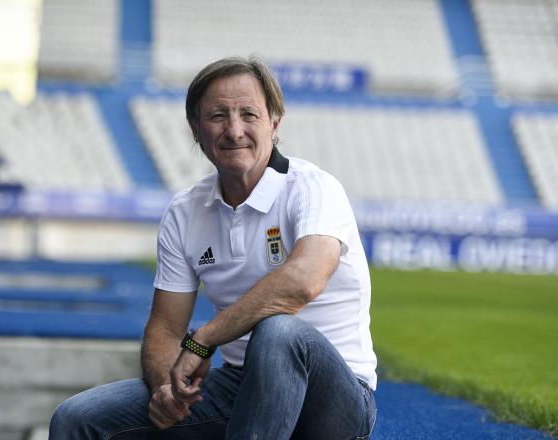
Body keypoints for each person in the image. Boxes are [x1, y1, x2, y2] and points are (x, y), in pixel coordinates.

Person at [49, 56, 377, 440]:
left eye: (248, 114)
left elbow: (303, 281)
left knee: (279, 332)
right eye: (218, 116)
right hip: (241, 388)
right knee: (76, 418)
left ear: (274, 123)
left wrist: (204, 339)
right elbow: (165, 327)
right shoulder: (186, 210)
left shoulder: (312, 187)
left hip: (335, 401)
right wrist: (166, 390)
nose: (234, 130)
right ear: (195, 129)